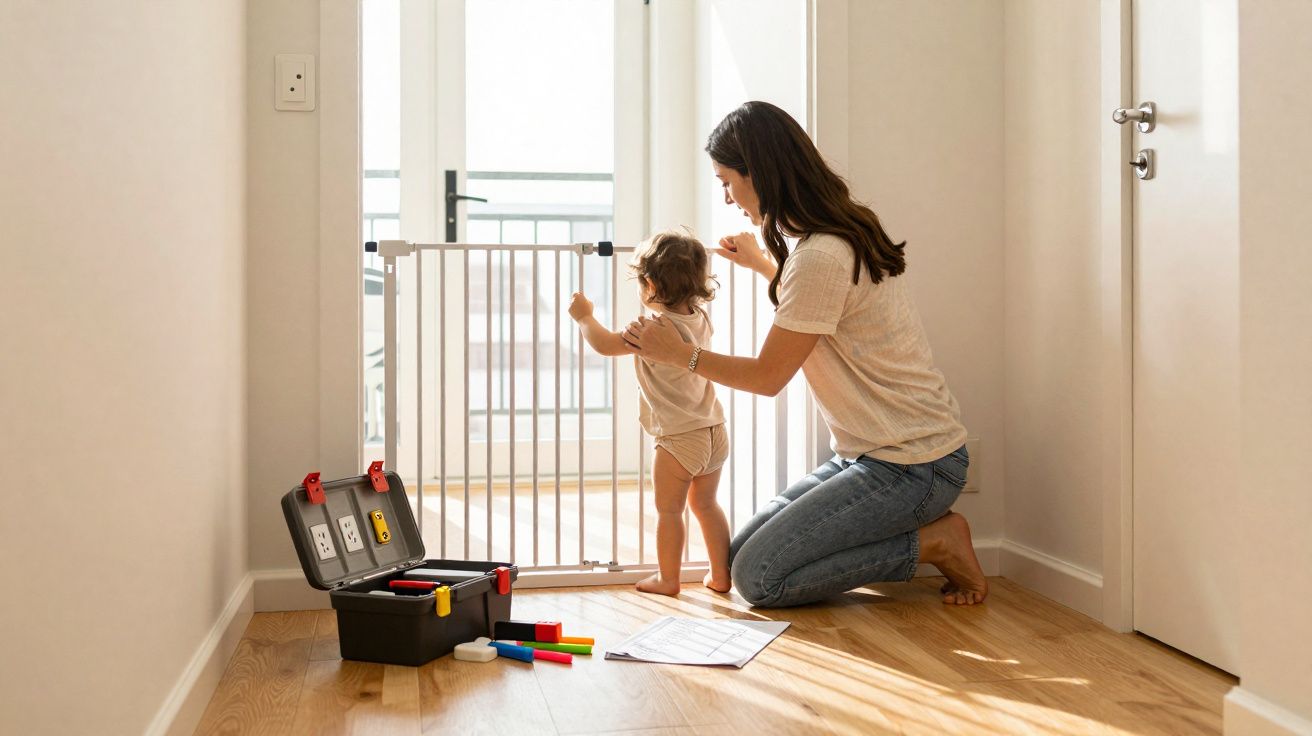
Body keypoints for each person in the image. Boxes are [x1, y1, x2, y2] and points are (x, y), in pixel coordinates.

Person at [622, 101, 988, 606]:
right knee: (740, 553)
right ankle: (922, 537)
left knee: (759, 579)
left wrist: (679, 352)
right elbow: (822, 309)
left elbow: (767, 377)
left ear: (760, 172)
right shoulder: (829, 240)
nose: (727, 197)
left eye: (727, 181)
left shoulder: (818, 255)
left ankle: (934, 542)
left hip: (912, 466)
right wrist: (765, 267)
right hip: (871, 456)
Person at [568, 230, 733, 597]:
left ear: (651, 284)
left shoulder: (651, 330)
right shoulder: (700, 317)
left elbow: (605, 344)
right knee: (706, 504)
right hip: (714, 429)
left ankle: (668, 579)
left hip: (679, 437)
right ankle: (721, 575)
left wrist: (584, 318)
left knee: (670, 511)